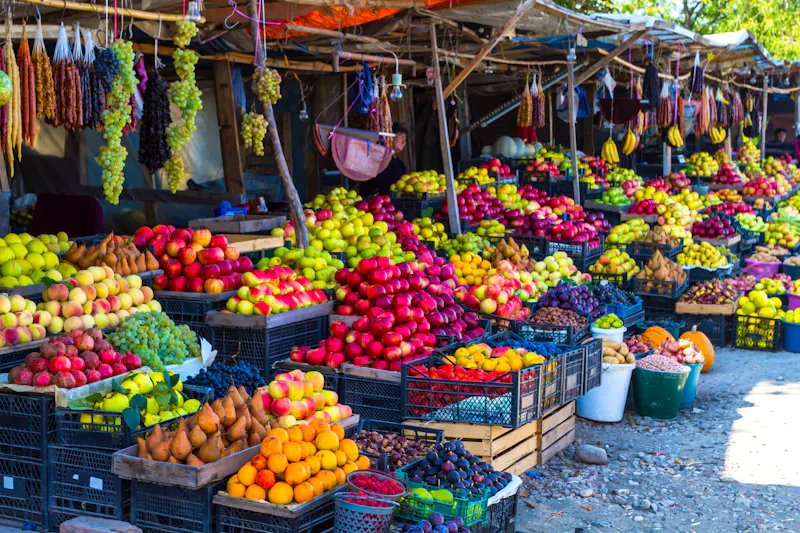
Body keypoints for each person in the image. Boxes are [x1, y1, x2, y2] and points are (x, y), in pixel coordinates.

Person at [359, 124, 408, 197]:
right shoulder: (379, 158)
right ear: (390, 137)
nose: (404, 142)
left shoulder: (400, 164)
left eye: (405, 139)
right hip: (376, 202)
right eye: (401, 137)